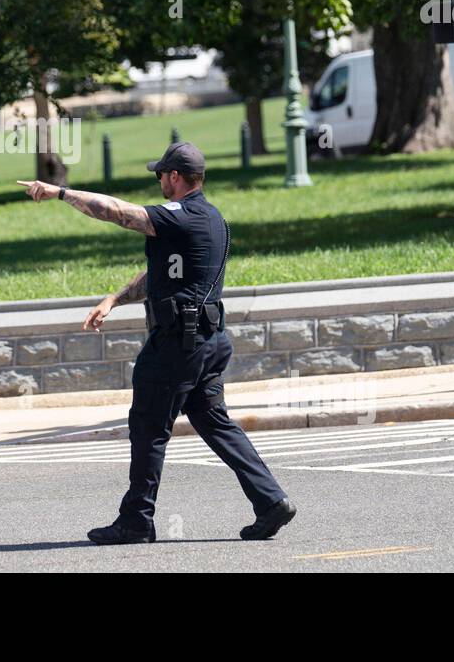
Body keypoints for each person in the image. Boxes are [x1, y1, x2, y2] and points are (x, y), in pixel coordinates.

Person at [17, 141, 296, 544]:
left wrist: (60, 192)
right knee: (214, 422)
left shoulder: (177, 217)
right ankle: (271, 502)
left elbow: (117, 211)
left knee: (148, 427)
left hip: (177, 345)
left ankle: (135, 520)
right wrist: (114, 299)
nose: (159, 181)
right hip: (208, 340)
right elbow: (167, 275)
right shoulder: (212, 219)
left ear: (176, 177)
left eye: (161, 174)